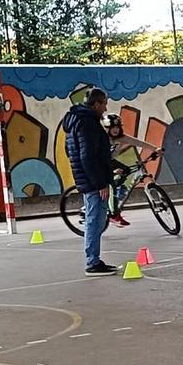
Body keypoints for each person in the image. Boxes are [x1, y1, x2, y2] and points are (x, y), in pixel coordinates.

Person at [60, 88, 117, 274]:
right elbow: (88, 156)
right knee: (95, 220)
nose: (106, 108)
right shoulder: (87, 123)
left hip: (85, 177)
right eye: (104, 104)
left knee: (97, 220)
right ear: (96, 104)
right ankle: (93, 262)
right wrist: (100, 182)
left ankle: (94, 259)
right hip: (93, 181)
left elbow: (71, 151)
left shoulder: (76, 121)